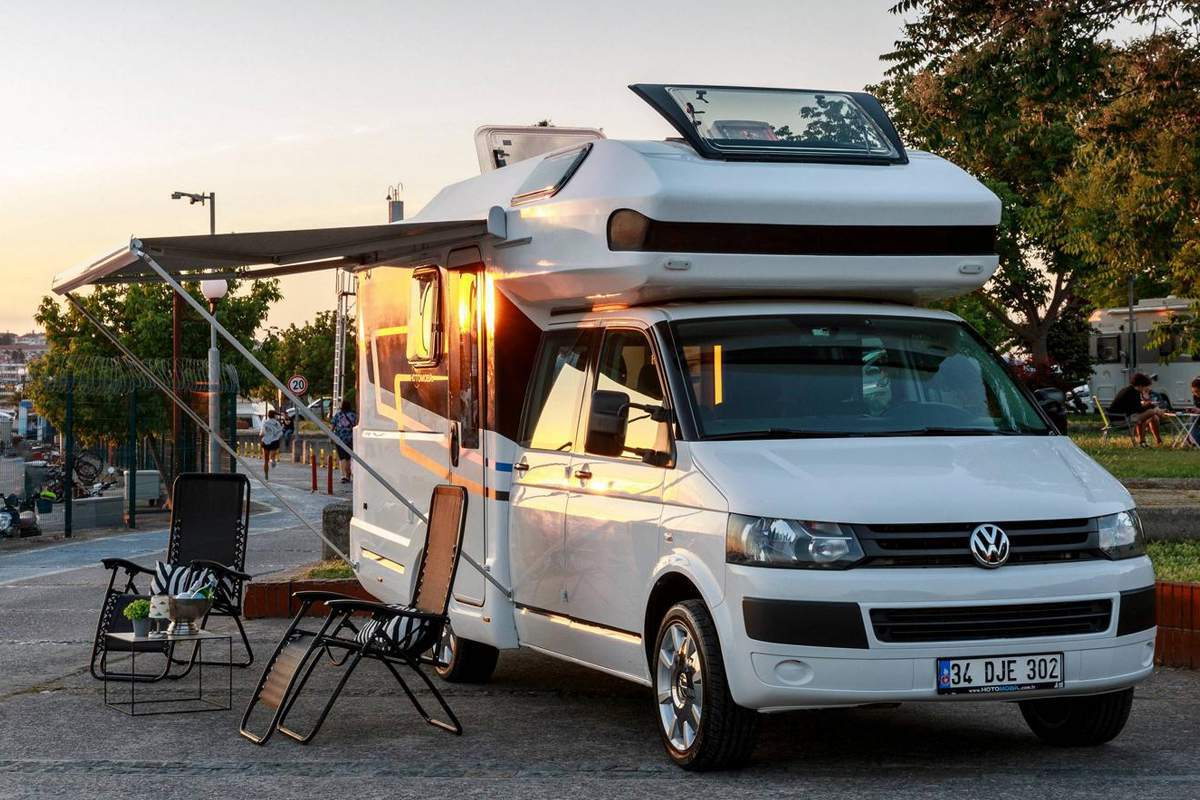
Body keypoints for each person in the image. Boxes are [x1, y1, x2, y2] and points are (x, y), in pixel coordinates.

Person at [1108, 372, 1164, 446]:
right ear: (1141, 385)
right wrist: (1153, 407)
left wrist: (1151, 406)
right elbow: (1139, 410)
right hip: (1121, 418)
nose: (1146, 388)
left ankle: (1143, 441)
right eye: (1145, 386)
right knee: (1150, 412)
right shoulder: (1133, 393)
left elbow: (1136, 408)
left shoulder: (1128, 390)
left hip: (1119, 416)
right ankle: (1142, 441)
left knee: (1150, 415)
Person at [331, 400, 357, 483]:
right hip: (350, 438)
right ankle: (348, 474)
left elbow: (332, 427)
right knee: (348, 457)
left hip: (340, 439)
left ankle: (343, 475)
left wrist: (331, 437)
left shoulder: (338, 415)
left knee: (342, 457)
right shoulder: (353, 415)